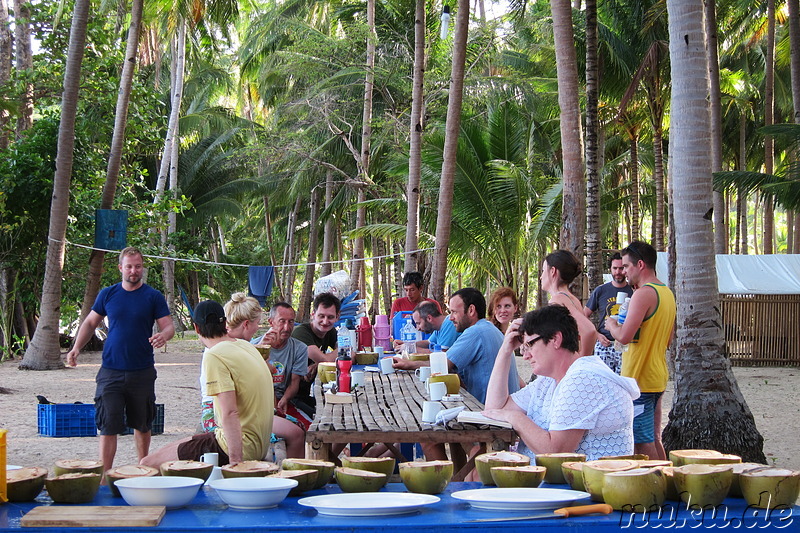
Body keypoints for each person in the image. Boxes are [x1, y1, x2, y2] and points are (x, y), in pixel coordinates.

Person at [66, 247, 174, 473]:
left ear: (142, 267)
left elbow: (168, 326)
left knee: (142, 424)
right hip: (111, 371)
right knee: (108, 425)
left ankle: (144, 468)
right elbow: (89, 323)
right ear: (120, 268)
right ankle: (105, 476)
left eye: (137, 266)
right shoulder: (108, 294)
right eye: (129, 266)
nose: (133, 271)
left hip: (142, 370)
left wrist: (163, 336)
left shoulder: (153, 296)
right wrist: (76, 348)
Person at [482, 305, 640, 461]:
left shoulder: (583, 379)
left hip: (586, 484)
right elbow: (494, 410)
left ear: (555, 339)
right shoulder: (549, 381)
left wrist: (516, 418)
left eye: (529, 345)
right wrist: (505, 350)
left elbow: (555, 452)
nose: (525, 355)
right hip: (554, 481)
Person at [142, 300, 273, 466]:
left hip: (237, 446)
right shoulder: (245, 347)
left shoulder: (214, 355)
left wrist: (236, 462)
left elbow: (229, 412)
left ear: (196, 328)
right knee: (167, 450)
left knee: (148, 463)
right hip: (256, 443)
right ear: (225, 323)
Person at [604, 241, 675, 461]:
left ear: (641, 265)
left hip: (640, 380)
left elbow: (624, 335)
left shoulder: (643, 294)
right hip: (656, 376)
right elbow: (668, 340)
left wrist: (611, 325)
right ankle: (667, 482)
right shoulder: (667, 293)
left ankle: (656, 485)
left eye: (626, 267)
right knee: (653, 437)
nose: (623, 272)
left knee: (641, 442)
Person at [393, 288, 520, 404]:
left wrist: (408, 364)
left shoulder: (475, 332)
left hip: (489, 411)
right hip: (503, 406)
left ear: (471, 310)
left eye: (454, 312)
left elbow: (443, 366)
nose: (451, 318)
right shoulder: (488, 328)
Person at [223, 295, 305, 458]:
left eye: (291, 322)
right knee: (295, 433)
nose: (287, 327)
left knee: (304, 429)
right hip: (250, 409)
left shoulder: (237, 345)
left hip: (262, 405)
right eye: (282, 321)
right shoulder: (244, 347)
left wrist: (284, 400)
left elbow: (275, 373)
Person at [540, 250, 598, 357]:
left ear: (553, 271)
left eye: (543, 271)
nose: (541, 276)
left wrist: (581, 362)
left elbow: (589, 331)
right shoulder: (571, 298)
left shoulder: (558, 300)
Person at [583, 252, 633, 374]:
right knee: (602, 381)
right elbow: (583, 316)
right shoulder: (601, 290)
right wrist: (596, 335)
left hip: (625, 345)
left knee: (623, 381)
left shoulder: (634, 291)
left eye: (621, 268)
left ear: (626, 269)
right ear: (610, 269)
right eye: (615, 268)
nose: (618, 272)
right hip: (603, 344)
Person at [391, 301, 460, 353]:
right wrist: (406, 344)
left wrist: (412, 349)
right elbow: (428, 342)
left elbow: (441, 354)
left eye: (418, 323)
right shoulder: (438, 327)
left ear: (429, 318)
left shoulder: (449, 324)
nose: (418, 328)